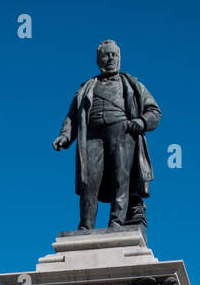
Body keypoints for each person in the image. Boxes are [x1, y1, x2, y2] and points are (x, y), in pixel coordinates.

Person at [53, 40, 161, 233]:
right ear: (98, 60)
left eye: (114, 55)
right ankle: (86, 225)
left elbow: (154, 111)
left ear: (119, 58)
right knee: (89, 180)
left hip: (122, 131)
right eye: (106, 55)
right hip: (92, 134)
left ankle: (117, 222)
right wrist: (65, 136)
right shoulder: (87, 87)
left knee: (121, 177)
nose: (110, 58)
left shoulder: (132, 84)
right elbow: (72, 117)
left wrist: (142, 121)